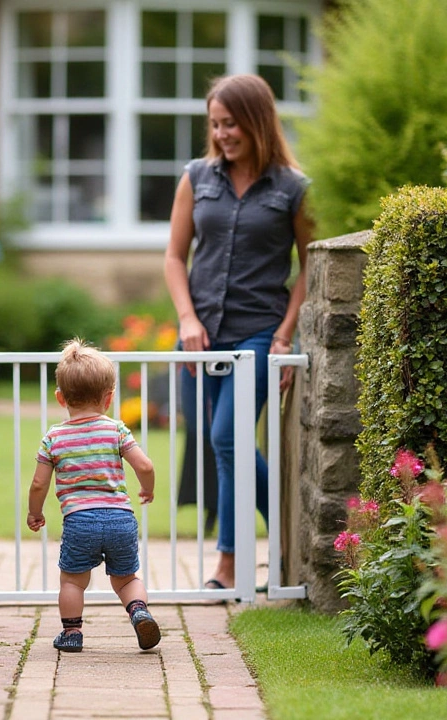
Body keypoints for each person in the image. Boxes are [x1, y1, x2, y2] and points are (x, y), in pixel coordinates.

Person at [163, 73, 313, 592]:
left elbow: (312, 267)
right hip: (199, 333)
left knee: (227, 437)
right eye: (215, 124)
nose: (222, 134)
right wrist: (186, 319)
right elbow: (174, 257)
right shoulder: (196, 177)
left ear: (257, 121)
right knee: (218, 444)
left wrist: (286, 333)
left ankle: (234, 562)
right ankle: (275, 544)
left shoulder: (293, 189)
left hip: (257, 333)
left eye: (231, 124)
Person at [27, 338, 160, 652]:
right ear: (109, 398)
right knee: (126, 579)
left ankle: (72, 634)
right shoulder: (115, 430)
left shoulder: (53, 438)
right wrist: (147, 488)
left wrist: (35, 512)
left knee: (73, 581)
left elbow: (38, 484)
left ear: (61, 398)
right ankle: (139, 610)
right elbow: (145, 464)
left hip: (80, 521)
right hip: (120, 519)